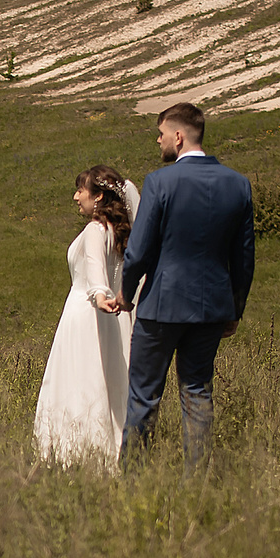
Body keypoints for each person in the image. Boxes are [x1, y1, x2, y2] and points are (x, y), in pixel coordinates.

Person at [114, 103, 254, 470]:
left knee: (145, 396)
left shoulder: (160, 182)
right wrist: (235, 309)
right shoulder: (238, 184)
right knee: (197, 392)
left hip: (162, 303)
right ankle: (197, 481)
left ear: (178, 137)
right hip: (211, 307)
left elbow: (139, 251)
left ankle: (133, 479)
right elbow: (243, 257)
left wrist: (127, 294)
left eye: (161, 133)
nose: (158, 141)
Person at [33, 164, 138, 462]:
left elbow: (94, 264)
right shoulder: (119, 232)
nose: (76, 197)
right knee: (107, 381)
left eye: (81, 190)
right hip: (112, 319)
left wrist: (99, 293)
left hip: (85, 312)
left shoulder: (95, 229)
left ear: (100, 196)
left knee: (80, 381)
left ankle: (77, 453)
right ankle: (113, 449)